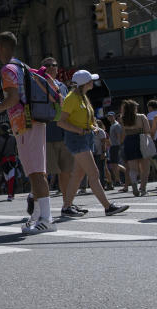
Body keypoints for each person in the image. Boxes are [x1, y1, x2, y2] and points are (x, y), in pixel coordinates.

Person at [0, 31, 55, 233]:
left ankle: (47, 218)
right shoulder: (22, 66)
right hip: (32, 121)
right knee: (34, 172)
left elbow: (11, 98)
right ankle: (37, 215)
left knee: (37, 172)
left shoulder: (8, 69)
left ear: (1, 47)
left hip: (25, 123)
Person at [56, 70, 127, 217]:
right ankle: (108, 207)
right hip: (77, 139)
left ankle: (66, 207)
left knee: (78, 174)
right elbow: (61, 122)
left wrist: (95, 128)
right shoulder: (71, 98)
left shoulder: (82, 97)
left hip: (85, 137)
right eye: (90, 81)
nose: (92, 83)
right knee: (93, 173)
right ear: (84, 83)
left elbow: (88, 118)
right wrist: (79, 130)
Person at [40, 57, 75, 199]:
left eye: (54, 65)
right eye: (47, 65)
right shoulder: (39, 85)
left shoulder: (62, 86)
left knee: (66, 171)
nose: (51, 67)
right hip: (47, 135)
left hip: (64, 134)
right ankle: (38, 202)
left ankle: (67, 203)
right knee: (44, 173)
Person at [119, 99, 151, 196]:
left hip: (129, 141)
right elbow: (147, 130)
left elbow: (123, 133)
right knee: (145, 168)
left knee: (133, 168)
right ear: (134, 108)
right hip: (141, 140)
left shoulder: (122, 118)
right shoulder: (141, 117)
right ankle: (143, 189)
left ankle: (134, 185)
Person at [106, 112, 129, 192]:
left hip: (116, 146)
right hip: (113, 146)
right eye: (108, 116)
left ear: (114, 117)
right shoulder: (112, 125)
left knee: (115, 164)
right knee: (114, 164)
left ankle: (119, 180)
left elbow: (119, 135)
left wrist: (119, 145)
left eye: (111, 116)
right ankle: (118, 179)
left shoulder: (116, 125)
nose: (110, 118)